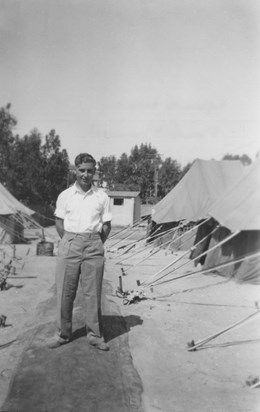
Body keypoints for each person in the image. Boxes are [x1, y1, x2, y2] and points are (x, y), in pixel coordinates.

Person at [48, 153, 112, 351]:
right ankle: (62, 334)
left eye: (89, 171)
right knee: (65, 292)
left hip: (94, 244)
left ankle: (95, 335)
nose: (85, 174)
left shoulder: (102, 196)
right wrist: (70, 241)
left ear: (95, 172)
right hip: (70, 243)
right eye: (82, 170)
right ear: (75, 171)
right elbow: (59, 222)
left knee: (92, 293)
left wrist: (95, 242)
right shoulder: (65, 195)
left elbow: (107, 225)